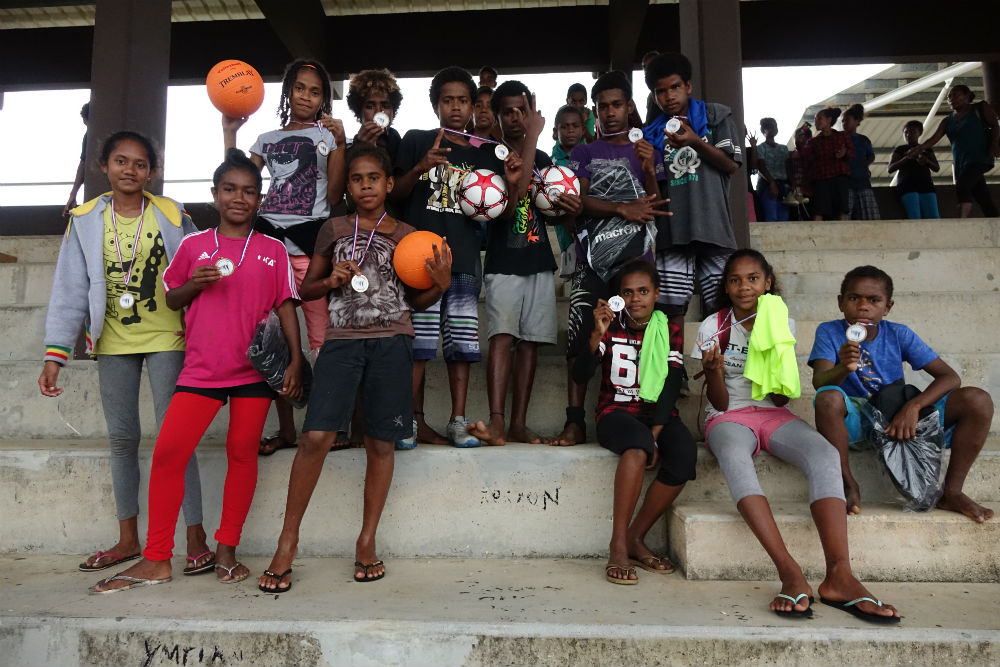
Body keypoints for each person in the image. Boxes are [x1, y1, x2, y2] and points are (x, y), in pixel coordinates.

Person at [89, 148, 303, 592]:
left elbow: (286, 306)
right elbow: (171, 298)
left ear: (260, 199)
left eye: (249, 191)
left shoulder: (272, 250)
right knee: (169, 454)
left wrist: (297, 361)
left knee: (241, 454)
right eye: (229, 189)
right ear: (214, 194)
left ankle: (226, 549)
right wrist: (195, 284)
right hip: (202, 371)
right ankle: (156, 558)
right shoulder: (194, 245)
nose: (239, 198)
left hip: (253, 373)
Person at [257, 144, 453, 591]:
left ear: (389, 184)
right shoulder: (334, 228)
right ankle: (288, 542)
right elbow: (308, 290)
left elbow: (414, 301)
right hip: (342, 343)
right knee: (315, 437)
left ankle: (367, 540)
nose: (366, 185)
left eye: (374, 178)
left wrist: (440, 287)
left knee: (381, 443)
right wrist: (332, 279)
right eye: (357, 179)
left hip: (393, 343)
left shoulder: (408, 235)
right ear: (347, 186)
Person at [692, 249, 900, 623]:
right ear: (726, 286)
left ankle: (840, 575)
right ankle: (789, 572)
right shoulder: (713, 326)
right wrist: (713, 372)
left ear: (767, 282)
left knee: (824, 454)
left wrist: (768, 348)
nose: (744, 287)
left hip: (773, 413)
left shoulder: (780, 320)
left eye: (753, 279)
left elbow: (780, 397)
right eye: (735, 280)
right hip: (728, 416)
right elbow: (720, 402)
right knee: (735, 457)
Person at [40, 131, 210, 576]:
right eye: (120, 161)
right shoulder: (84, 220)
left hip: (168, 337)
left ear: (151, 172)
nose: (129, 170)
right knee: (122, 439)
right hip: (113, 342)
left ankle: (195, 537)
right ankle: (128, 538)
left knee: (176, 440)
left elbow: (202, 266)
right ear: (104, 165)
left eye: (139, 163)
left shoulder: (172, 214)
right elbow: (69, 290)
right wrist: (55, 355)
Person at [392, 66, 522, 448]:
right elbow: (395, 194)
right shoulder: (417, 140)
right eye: (447, 100)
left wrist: (513, 186)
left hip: (463, 261)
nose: (455, 107)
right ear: (435, 105)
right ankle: (410, 422)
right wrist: (421, 167)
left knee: (462, 346)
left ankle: (457, 420)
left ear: (473, 105)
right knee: (418, 345)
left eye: (463, 100)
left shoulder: (486, 154)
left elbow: (503, 215)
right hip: (419, 261)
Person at [222, 58, 346, 456]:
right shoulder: (266, 138)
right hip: (269, 246)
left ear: (324, 99)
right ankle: (287, 429)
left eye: (315, 91)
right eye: (300, 88)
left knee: (321, 338)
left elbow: (336, 193)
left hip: (311, 246)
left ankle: (325, 426)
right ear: (287, 91)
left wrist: (342, 144)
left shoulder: (328, 136)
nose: (306, 96)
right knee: (273, 337)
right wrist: (229, 133)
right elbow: (240, 179)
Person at [810, 265, 994, 523]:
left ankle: (952, 492)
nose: (863, 307)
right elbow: (819, 382)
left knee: (978, 400)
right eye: (854, 298)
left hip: (896, 417)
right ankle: (847, 483)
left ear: (888, 307)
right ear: (841, 302)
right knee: (828, 398)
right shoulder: (829, 331)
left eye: (874, 300)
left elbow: (950, 377)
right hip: (857, 420)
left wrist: (913, 407)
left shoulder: (898, 334)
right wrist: (844, 367)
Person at [553, 70, 667, 446]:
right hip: (592, 260)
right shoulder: (583, 152)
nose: (610, 112)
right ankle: (574, 421)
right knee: (580, 338)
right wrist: (621, 208)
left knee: (637, 338)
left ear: (630, 106)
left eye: (617, 105)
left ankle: (638, 414)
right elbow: (577, 200)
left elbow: (654, 204)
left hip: (636, 264)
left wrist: (648, 169)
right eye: (603, 107)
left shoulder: (646, 149)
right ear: (594, 112)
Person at [466, 82, 582, 446]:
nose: (516, 118)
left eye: (522, 110)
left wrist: (569, 210)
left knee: (530, 342)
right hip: (503, 262)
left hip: (538, 259)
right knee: (502, 337)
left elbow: (554, 214)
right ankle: (496, 421)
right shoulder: (489, 157)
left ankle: (518, 423)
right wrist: (533, 137)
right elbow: (510, 206)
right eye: (508, 112)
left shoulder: (545, 161)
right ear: (497, 117)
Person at [574, 260, 695, 583]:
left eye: (643, 291)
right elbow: (580, 375)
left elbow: (671, 383)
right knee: (638, 446)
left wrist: (656, 432)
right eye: (628, 292)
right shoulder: (610, 325)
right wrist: (596, 335)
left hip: (657, 414)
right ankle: (617, 545)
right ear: (619, 297)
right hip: (615, 412)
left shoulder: (668, 328)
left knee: (684, 454)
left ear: (656, 294)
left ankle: (635, 537)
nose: (636, 298)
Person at [643, 51, 740, 354]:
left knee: (721, 306)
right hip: (673, 231)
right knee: (671, 309)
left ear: (688, 86)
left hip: (714, 227)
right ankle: (674, 368)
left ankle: (720, 368)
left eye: (674, 87)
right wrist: (648, 169)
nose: (668, 96)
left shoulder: (716, 117)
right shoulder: (651, 134)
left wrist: (696, 141)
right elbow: (655, 192)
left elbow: (731, 165)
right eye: (660, 91)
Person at [907, 84, 999, 218]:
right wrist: (918, 148)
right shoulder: (947, 120)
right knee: (982, 196)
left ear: (967, 96)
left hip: (980, 158)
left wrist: (994, 144)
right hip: (961, 162)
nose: (951, 99)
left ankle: (961, 220)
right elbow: (933, 139)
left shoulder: (979, 108)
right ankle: (995, 219)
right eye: (949, 96)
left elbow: (995, 125)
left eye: (955, 95)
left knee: (962, 185)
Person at [550, 104, 587, 272]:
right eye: (564, 127)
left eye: (575, 126)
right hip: (568, 237)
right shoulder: (551, 164)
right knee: (577, 279)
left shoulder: (592, 157)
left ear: (583, 130)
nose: (570, 130)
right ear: (555, 132)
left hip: (594, 230)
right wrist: (565, 220)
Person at [806, 107, 854, 221]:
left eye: (819, 118)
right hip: (821, 179)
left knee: (841, 211)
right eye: (815, 119)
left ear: (829, 120)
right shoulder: (813, 142)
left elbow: (852, 154)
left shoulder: (842, 135)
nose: (816, 122)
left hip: (840, 177)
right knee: (818, 211)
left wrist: (844, 153)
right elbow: (808, 160)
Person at [347, 68, 403, 165]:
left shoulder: (405, 148)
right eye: (370, 107)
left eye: (385, 106)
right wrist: (361, 148)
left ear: (393, 112)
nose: (378, 112)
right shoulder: (345, 153)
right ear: (359, 112)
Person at [888, 120, 940, 219]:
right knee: (914, 216)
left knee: (933, 216)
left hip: (926, 185)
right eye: (906, 132)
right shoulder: (900, 149)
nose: (908, 135)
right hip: (907, 186)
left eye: (912, 132)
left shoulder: (926, 149)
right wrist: (907, 158)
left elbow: (936, 168)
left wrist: (926, 160)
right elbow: (890, 168)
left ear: (919, 133)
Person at [841, 104, 880, 220]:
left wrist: (864, 166)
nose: (844, 123)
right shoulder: (839, 138)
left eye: (847, 120)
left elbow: (871, 156)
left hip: (863, 181)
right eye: (842, 121)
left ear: (857, 121)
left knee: (869, 216)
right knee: (845, 215)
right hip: (845, 182)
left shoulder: (864, 140)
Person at [753, 117, 791, 222]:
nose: (773, 128)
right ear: (763, 130)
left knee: (784, 218)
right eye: (770, 126)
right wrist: (772, 183)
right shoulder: (761, 147)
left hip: (783, 186)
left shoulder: (784, 148)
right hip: (768, 185)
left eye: (775, 125)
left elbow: (788, 167)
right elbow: (761, 166)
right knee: (771, 218)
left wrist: (793, 185)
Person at [63, 102, 90, 218]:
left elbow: (83, 164)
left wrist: (73, 194)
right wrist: (73, 194)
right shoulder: (88, 136)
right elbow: (83, 163)